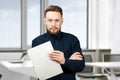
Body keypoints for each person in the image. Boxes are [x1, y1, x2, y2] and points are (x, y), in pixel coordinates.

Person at [32, 5, 85, 80]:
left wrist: (64, 60)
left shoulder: (73, 39)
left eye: (57, 20)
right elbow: (41, 71)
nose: (53, 24)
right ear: (45, 21)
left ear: (62, 21)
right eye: (50, 20)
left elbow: (80, 66)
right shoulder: (37, 42)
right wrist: (68, 61)